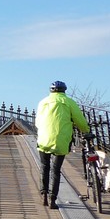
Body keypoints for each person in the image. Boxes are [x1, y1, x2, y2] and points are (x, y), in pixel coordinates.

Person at [36, 80, 90, 208]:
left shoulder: (43, 102)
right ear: (64, 91)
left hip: (44, 139)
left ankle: (44, 195)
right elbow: (79, 120)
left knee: (44, 166)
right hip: (61, 140)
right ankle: (53, 200)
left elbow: (37, 122)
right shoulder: (69, 102)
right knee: (56, 170)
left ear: (51, 91)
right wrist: (86, 131)